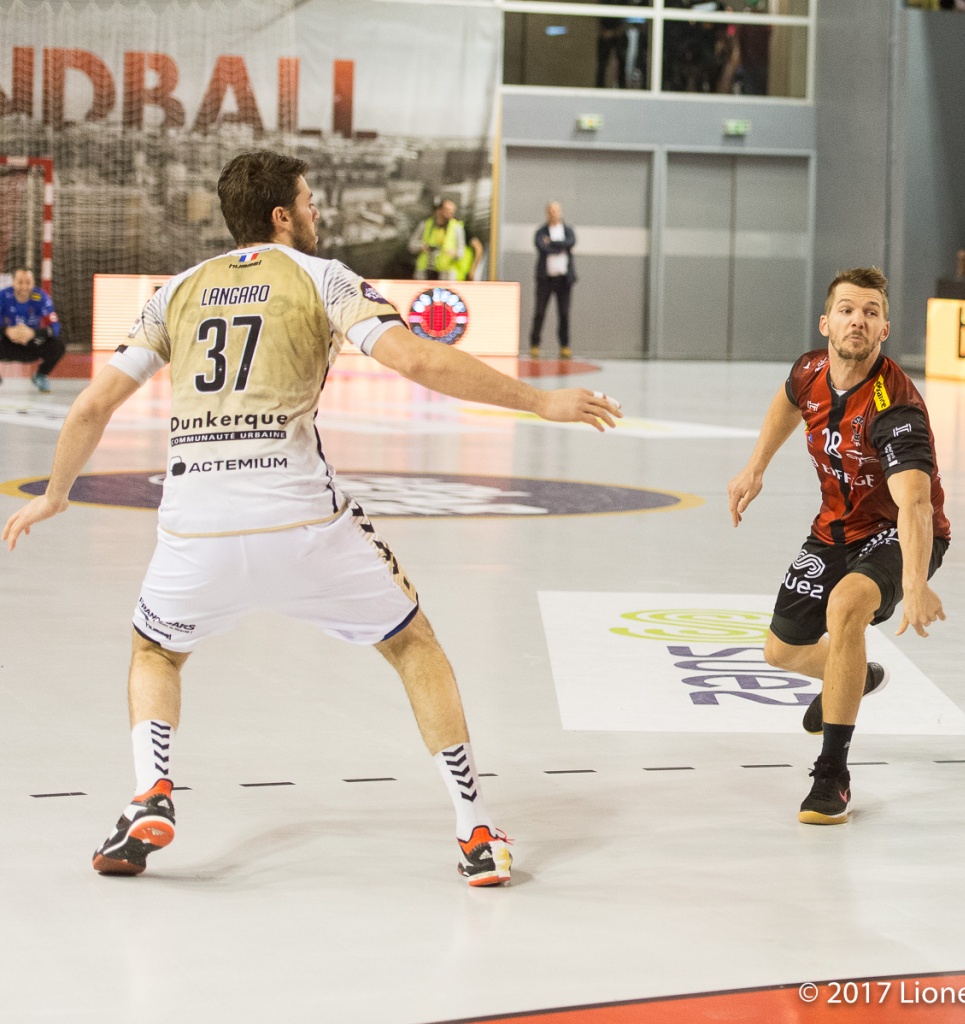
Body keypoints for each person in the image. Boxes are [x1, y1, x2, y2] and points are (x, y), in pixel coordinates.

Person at [0, 150, 622, 886]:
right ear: (281, 216)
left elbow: (92, 405)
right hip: (300, 520)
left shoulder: (176, 292)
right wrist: (541, 401)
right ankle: (475, 828)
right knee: (412, 644)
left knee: (155, 652)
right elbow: (420, 362)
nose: (317, 212)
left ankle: (150, 795)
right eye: (309, 201)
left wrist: (56, 493)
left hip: (195, 525)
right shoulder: (323, 278)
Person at [726, 267, 949, 826]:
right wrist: (755, 467)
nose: (858, 320)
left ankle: (832, 776)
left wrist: (916, 582)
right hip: (833, 529)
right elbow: (788, 400)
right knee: (779, 652)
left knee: (847, 607)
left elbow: (915, 505)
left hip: (899, 534)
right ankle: (854, 675)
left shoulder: (894, 405)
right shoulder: (810, 370)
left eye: (871, 312)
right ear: (826, 322)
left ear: (884, 331)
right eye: (847, 309)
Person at [0, 267, 65, 393]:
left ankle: (41, 375)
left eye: (28, 282)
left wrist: (33, 333)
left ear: (33, 283)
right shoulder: (2, 296)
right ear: (13, 282)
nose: (24, 287)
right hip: (6, 344)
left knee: (58, 344)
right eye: (20, 282)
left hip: (31, 344)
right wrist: (7, 331)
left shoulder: (40, 297)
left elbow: (55, 327)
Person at [531, 201, 577, 359]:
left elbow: (570, 242)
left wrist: (551, 243)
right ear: (547, 213)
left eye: (556, 211)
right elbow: (541, 247)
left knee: (564, 314)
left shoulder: (568, 230)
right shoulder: (541, 232)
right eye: (551, 211)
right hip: (546, 280)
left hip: (563, 280)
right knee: (539, 312)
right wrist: (561, 247)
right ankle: (535, 344)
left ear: (560, 212)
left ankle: (565, 345)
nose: (553, 214)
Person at [409, 197, 467, 281]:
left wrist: (454, 252)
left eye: (452, 211)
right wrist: (422, 247)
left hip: (445, 274)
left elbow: (461, 252)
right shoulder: (425, 225)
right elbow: (411, 245)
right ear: (439, 210)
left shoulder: (456, 227)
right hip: (425, 272)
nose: (449, 214)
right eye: (447, 210)